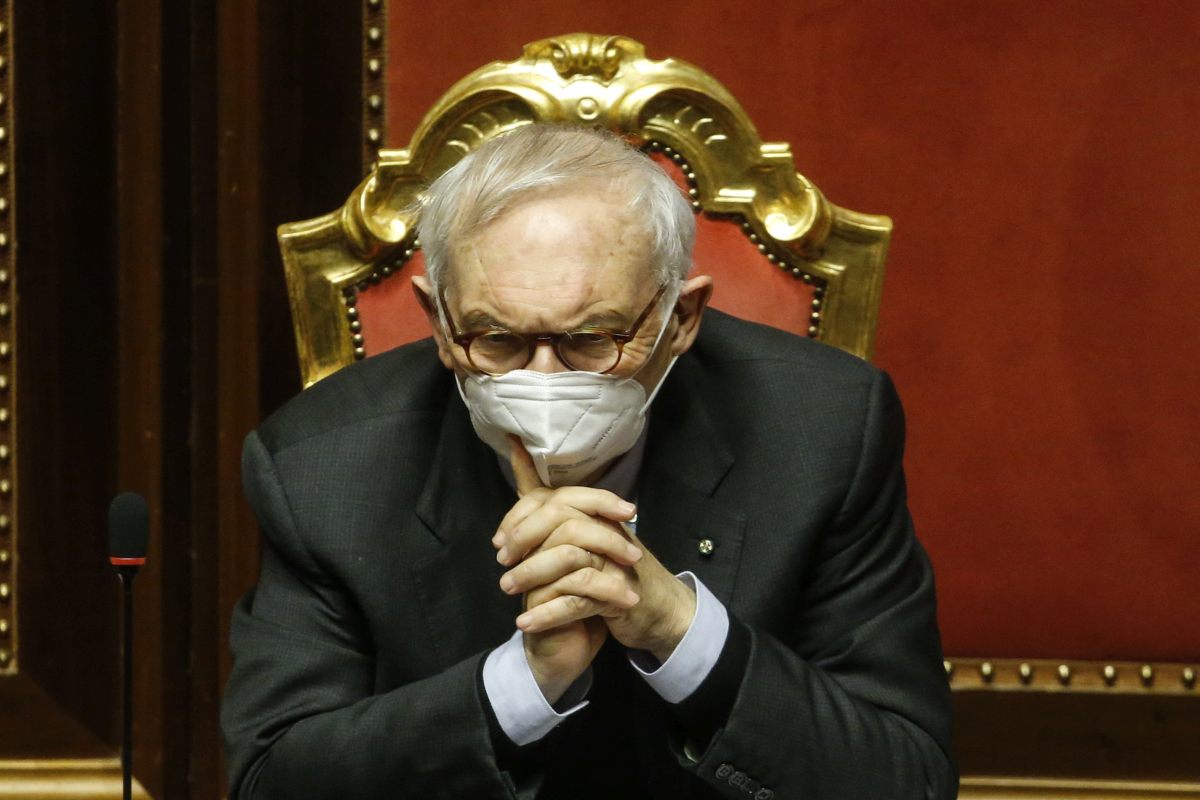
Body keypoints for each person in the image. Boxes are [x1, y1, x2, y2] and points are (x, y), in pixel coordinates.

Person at [222, 124, 957, 799]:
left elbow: (908, 780)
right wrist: (521, 684)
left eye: (592, 339)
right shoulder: (321, 467)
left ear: (680, 319)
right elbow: (272, 780)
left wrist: (676, 627)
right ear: (439, 323)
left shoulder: (823, 431)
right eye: (497, 339)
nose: (543, 379)